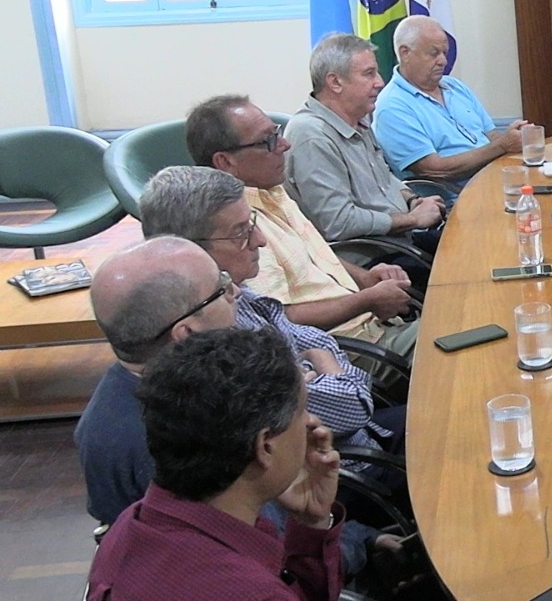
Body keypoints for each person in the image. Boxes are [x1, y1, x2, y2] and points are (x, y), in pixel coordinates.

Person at [75, 235, 389, 575]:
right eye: (220, 288)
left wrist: (358, 539)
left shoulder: (131, 401)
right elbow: (275, 567)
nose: (236, 293)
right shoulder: (186, 433)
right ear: (187, 333)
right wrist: (366, 546)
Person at [76, 328, 366, 601]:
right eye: (302, 409)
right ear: (265, 446)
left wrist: (309, 523)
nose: (310, 424)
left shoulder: (133, 526)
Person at [140, 166, 405, 469]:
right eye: (241, 232)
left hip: (370, 437)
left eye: (252, 223)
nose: (260, 240)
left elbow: (317, 344)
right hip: (344, 473)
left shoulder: (239, 291)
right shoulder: (214, 329)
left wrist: (319, 363)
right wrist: (324, 364)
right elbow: (351, 407)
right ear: (189, 249)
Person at [187, 94, 418, 355]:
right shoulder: (237, 229)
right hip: (350, 350)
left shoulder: (272, 190)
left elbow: (316, 255)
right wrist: (365, 301)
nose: (284, 145)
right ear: (225, 162)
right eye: (268, 141)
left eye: (277, 133)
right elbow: (277, 319)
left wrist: (366, 279)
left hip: (375, 325)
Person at [285, 33, 448, 287]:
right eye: (369, 74)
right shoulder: (311, 136)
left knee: (472, 244)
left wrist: (414, 200)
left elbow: (385, 177)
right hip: (368, 261)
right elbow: (338, 223)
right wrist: (414, 219)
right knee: (461, 279)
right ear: (335, 82)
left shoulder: (357, 118)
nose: (380, 82)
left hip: (398, 241)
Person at [373, 14, 529, 184]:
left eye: (444, 53)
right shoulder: (392, 106)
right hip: (457, 199)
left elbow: (491, 135)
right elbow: (434, 169)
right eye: (433, 53)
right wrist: (503, 146)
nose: (443, 61)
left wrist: (515, 138)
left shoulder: (455, 86)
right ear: (405, 53)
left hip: (496, 181)